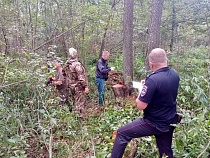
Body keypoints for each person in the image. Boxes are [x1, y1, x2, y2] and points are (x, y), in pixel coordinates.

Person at [111, 48, 180, 158]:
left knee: (121, 133)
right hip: (169, 121)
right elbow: (162, 92)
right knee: (166, 152)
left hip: (153, 123)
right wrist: (147, 86)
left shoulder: (152, 80)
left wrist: (141, 90)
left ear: (151, 64)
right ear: (166, 60)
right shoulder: (174, 75)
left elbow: (141, 105)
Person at [63, 48, 89, 117]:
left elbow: (64, 74)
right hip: (78, 87)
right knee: (79, 103)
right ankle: (79, 118)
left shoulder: (67, 65)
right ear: (75, 54)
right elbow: (81, 77)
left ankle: (75, 118)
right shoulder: (76, 64)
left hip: (71, 86)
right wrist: (85, 86)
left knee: (75, 102)